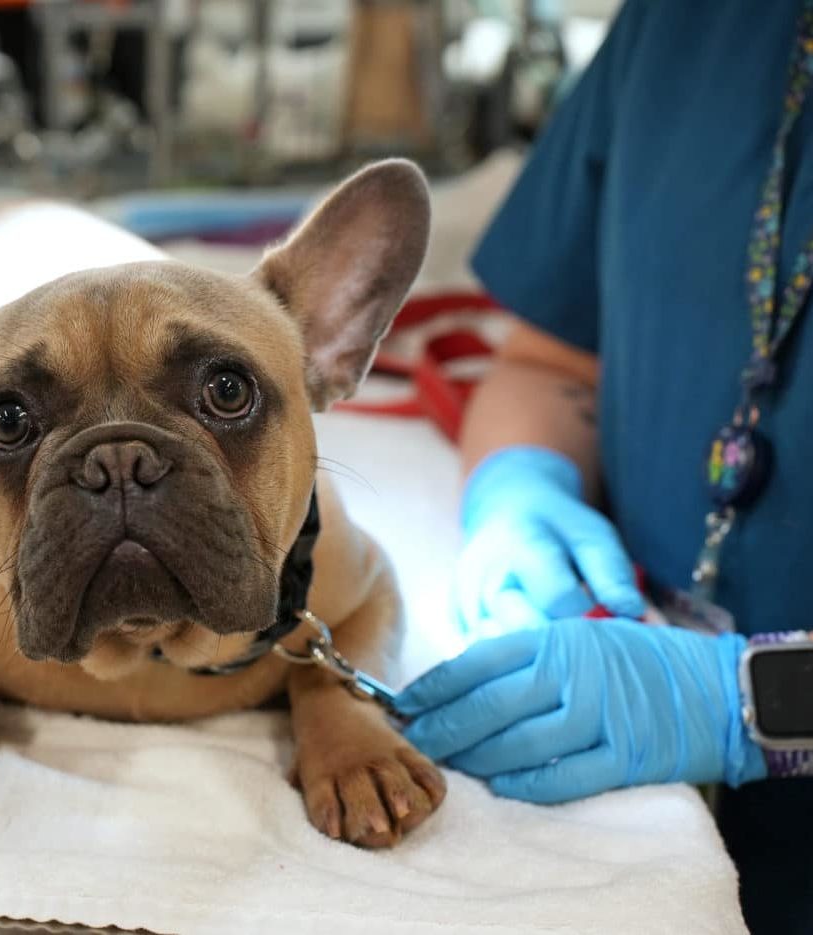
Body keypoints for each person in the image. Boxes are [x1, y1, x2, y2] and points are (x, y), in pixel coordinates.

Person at [394, 2, 813, 932]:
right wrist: (519, 484)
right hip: (638, 834)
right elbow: (548, 363)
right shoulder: (684, 25)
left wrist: (744, 700)